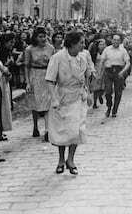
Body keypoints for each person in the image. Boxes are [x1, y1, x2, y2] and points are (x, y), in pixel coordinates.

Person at [46, 32, 93, 175]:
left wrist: (88, 93)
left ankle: (71, 159)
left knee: (77, 130)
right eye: (81, 42)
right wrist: (54, 98)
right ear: (72, 43)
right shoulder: (58, 58)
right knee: (63, 130)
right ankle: (61, 160)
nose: (84, 45)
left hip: (78, 97)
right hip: (62, 97)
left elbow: (87, 77)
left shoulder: (83, 57)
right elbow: (49, 80)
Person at [25, 27, 54, 141]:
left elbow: (53, 64)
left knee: (48, 102)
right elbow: (26, 66)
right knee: (36, 103)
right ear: (35, 38)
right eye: (40, 37)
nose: (43, 39)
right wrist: (27, 82)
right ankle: (35, 126)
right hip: (34, 75)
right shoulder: (29, 49)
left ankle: (47, 130)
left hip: (47, 75)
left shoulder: (50, 48)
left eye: (44, 36)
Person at [99, 34, 131, 117]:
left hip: (118, 71)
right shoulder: (107, 49)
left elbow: (128, 63)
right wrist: (99, 73)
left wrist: (123, 71)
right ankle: (109, 106)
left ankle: (114, 110)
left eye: (118, 40)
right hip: (108, 71)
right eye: (114, 40)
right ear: (112, 40)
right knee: (108, 92)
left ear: (120, 41)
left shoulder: (123, 50)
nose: (116, 41)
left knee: (118, 93)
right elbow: (102, 62)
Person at [89, 39, 106, 109]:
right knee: (96, 88)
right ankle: (95, 101)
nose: (102, 46)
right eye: (100, 44)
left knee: (103, 88)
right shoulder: (94, 53)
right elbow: (91, 62)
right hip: (96, 70)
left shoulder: (106, 52)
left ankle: (100, 95)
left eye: (103, 44)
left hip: (104, 71)